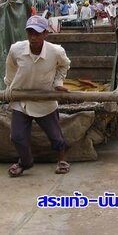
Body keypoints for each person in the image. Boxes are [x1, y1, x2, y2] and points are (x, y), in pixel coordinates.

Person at [4, 15, 71, 177]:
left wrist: (58, 83)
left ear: (45, 34)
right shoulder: (16, 49)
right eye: (30, 33)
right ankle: (25, 162)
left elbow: (64, 65)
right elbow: (10, 68)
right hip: (22, 99)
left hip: (44, 98)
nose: (33, 37)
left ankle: (62, 160)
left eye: (37, 33)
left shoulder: (56, 51)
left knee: (55, 136)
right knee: (17, 137)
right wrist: (10, 87)